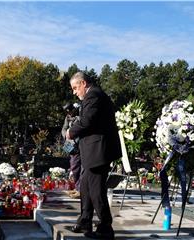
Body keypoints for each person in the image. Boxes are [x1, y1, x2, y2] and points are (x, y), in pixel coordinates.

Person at [66, 72, 122, 239]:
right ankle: (85, 220)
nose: (75, 92)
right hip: (93, 151)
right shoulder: (92, 96)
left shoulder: (94, 95)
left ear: (83, 83)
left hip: (99, 151)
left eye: (75, 88)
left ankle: (105, 227)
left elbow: (87, 121)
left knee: (96, 190)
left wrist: (70, 132)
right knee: (85, 186)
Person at [61, 102, 82, 198]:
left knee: (77, 167)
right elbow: (64, 129)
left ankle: (79, 190)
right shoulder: (67, 118)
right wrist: (66, 134)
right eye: (67, 113)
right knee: (73, 165)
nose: (69, 114)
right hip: (69, 143)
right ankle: (77, 188)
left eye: (70, 111)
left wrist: (72, 135)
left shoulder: (80, 116)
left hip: (78, 144)